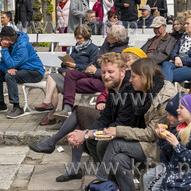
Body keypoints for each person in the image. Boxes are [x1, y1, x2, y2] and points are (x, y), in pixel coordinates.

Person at [29, 52, 136, 182]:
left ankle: (104, 177)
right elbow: (105, 118)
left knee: (82, 119)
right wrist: (83, 134)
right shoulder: (114, 88)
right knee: (82, 128)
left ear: (123, 71)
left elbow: (120, 125)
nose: (106, 76)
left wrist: (86, 134)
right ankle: (103, 177)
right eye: (103, 72)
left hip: (132, 136)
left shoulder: (130, 89)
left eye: (110, 72)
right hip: (116, 128)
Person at [95, 58, 176, 190]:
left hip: (161, 147)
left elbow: (151, 134)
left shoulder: (164, 98)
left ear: (144, 77)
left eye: (133, 76)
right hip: (147, 143)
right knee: (118, 160)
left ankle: (101, 181)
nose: (130, 80)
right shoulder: (144, 92)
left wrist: (118, 131)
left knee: (116, 143)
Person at [142, 92, 191, 191]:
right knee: (148, 179)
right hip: (174, 175)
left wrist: (177, 145)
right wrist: (163, 139)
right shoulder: (181, 129)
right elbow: (169, 155)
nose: (177, 110)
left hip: (187, 180)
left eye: (181, 108)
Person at [54, 25, 129, 119]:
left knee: (74, 83)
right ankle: (67, 108)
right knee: (70, 74)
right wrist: (89, 66)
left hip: (104, 80)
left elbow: (114, 75)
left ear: (116, 39)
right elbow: (97, 57)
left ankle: (71, 112)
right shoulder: (108, 41)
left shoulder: (122, 51)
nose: (106, 35)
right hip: (90, 71)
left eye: (109, 35)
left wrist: (96, 71)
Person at [35, 24, 98, 125]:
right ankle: (49, 110)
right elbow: (64, 65)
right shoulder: (74, 48)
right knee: (52, 79)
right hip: (68, 74)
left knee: (54, 83)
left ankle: (51, 114)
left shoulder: (93, 49)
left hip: (81, 76)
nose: (78, 40)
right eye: (76, 38)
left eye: (80, 38)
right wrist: (64, 64)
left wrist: (75, 65)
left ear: (87, 37)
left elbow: (90, 68)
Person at [0, 27, 45, 118]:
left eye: (2, 39)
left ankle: (17, 107)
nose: (0, 41)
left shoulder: (22, 45)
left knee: (10, 76)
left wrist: (4, 49)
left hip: (34, 72)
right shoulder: (11, 44)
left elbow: (12, 64)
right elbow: (2, 63)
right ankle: (1, 104)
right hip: (21, 69)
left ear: (8, 39)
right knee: (5, 73)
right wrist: (7, 69)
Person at [162, 14, 191, 83]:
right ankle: (166, 90)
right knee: (166, 64)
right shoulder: (183, 37)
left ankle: (165, 91)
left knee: (168, 75)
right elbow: (173, 52)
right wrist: (176, 57)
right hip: (179, 64)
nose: (185, 26)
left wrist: (180, 59)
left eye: (187, 24)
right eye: (185, 24)